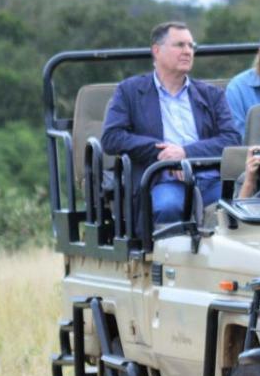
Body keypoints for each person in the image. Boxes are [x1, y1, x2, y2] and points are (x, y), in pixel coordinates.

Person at [101, 21, 240, 227]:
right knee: (169, 206)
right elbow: (112, 138)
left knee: (244, 204)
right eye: (180, 45)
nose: (187, 51)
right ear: (156, 50)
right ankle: (165, 260)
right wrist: (162, 153)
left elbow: (231, 139)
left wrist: (185, 153)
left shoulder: (211, 95)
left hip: (210, 177)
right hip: (161, 179)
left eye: (191, 46)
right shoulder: (129, 91)